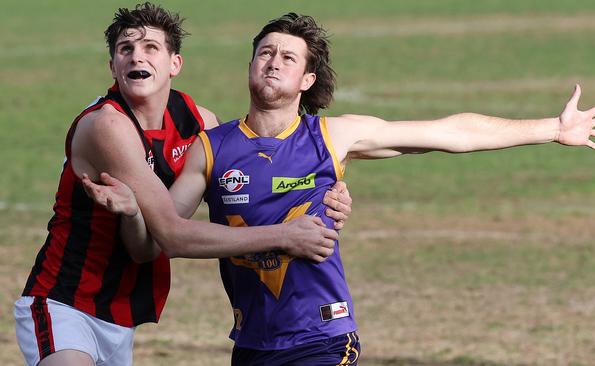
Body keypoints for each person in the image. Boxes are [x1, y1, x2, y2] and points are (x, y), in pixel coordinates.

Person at [83, 12, 595, 366]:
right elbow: (158, 242)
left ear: (308, 81)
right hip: (250, 345)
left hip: (323, 339)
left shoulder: (332, 137)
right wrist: (133, 212)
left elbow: (449, 132)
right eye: (265, 53)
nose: (273, 62)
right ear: (249, 65)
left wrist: (550, 128)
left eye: (288, 57)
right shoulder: (211, 146)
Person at [14, 5, 352, 366]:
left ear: (175, 64)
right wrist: (286, 235)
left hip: (119, 311)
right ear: (112, 66)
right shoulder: (106, 126)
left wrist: (326, 193)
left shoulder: (197, 122)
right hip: (63, 299)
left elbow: (250, 175)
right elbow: (171, 236)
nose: (135, 57)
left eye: (150, 48)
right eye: (125, 49)